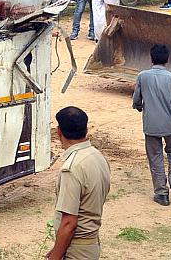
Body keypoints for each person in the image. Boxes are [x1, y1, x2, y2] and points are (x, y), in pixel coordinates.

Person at [47, 106, 111, 260]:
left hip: (76, 249)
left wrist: (55, 256)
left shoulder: (73, 167)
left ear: (59, 132)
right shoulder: (97, 157)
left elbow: (69, 223)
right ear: (86, 129)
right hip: (91, 244)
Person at [133, 44, 171, 206]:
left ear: (151, 59)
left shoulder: (143, 76)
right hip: (170, 126)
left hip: (151, 125)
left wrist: (139, 107)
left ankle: (161, 194)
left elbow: (137, 99)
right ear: (167, 60)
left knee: (155, 157)